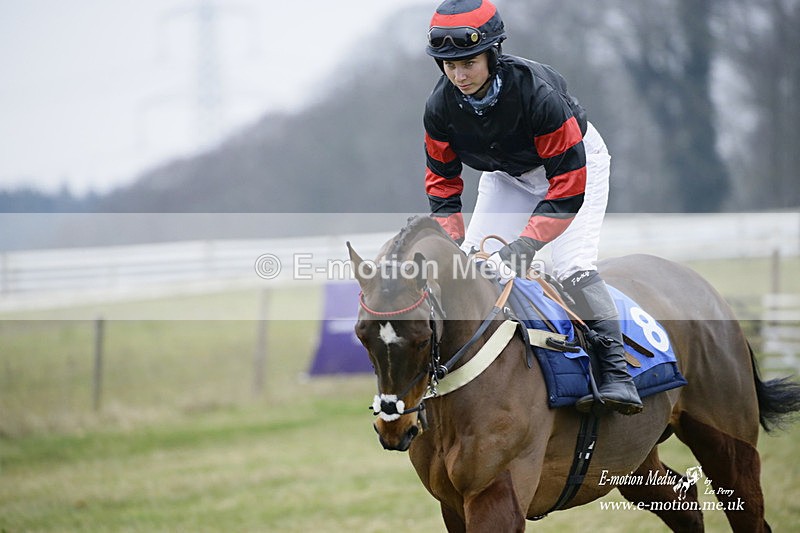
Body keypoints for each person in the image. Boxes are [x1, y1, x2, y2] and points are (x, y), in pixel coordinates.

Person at [423, 0, 642, 415]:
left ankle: (617, 373)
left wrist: (526, 243)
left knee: (568, 266)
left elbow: (567, 184)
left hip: (575, 167)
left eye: (468, 62)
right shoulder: (439, 108)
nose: (459, 75)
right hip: (508, 176)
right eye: (448, 65)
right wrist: (452, 242)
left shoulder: (536, 95)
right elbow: (443, 183)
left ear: (493, 53)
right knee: (471, 266)